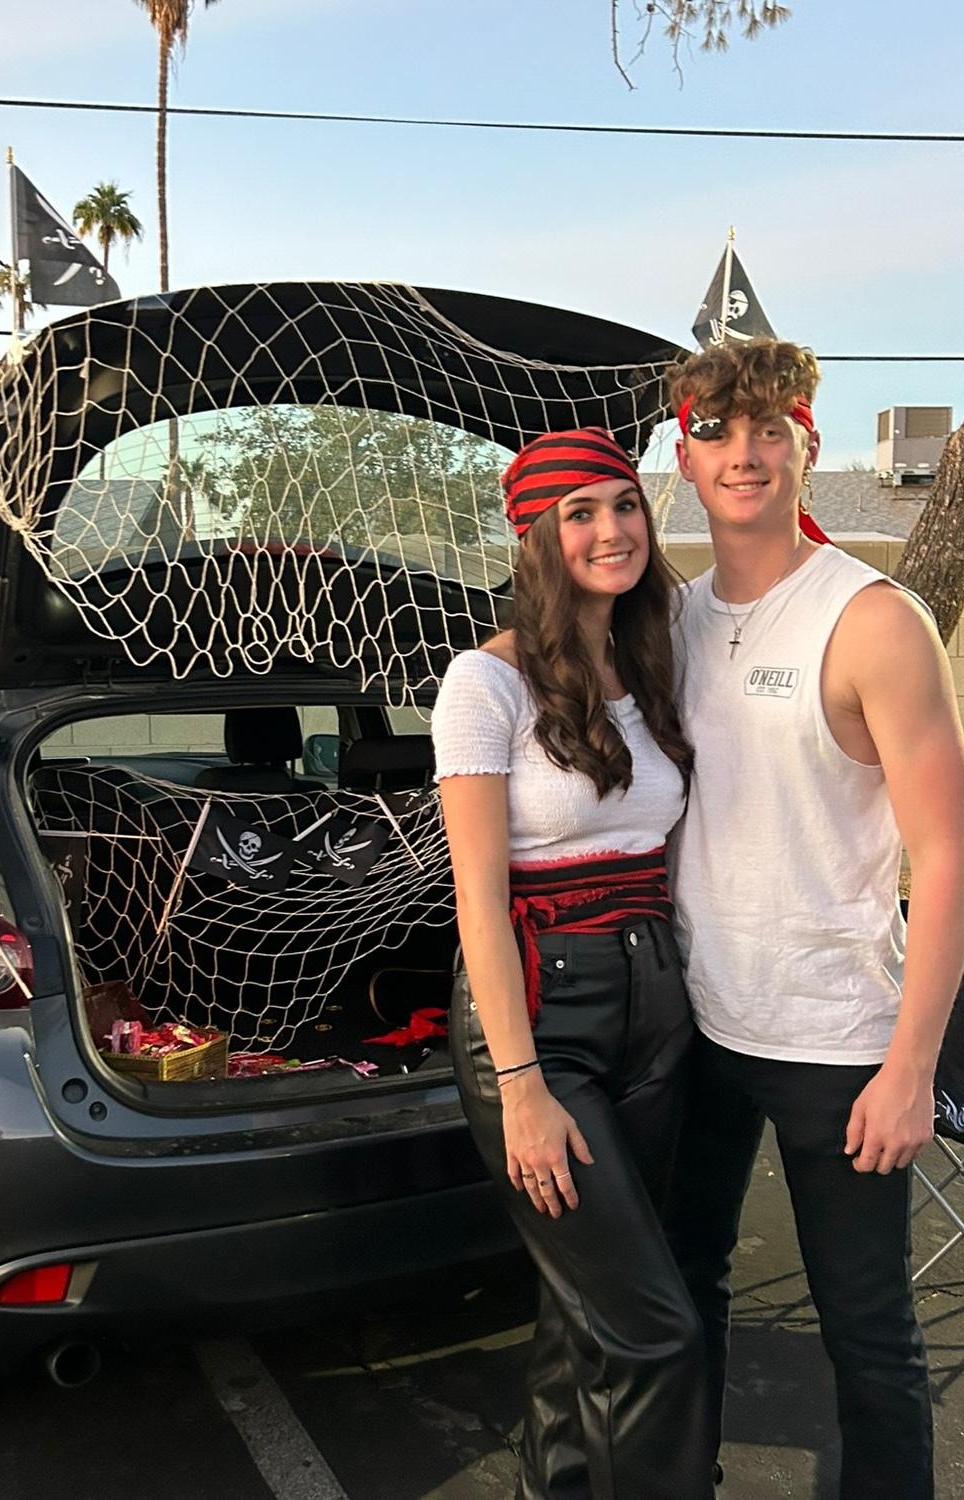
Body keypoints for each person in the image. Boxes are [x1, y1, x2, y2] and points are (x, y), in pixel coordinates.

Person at [664, 338, 964, 1499]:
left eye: (769, 428)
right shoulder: (674, 620)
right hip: (696, 1027)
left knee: (867, 1333)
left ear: (808, 442)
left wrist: (912, 1066)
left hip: (836, 1044)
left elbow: (948, 858)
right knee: (683, 1296)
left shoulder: (873, 620)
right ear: (684, 457)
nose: (742, 453)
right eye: (716, 431)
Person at [431, 427, 714, 1500]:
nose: (610, 530)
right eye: (579, 514)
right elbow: (477, 900)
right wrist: (519, 1086)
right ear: (536, 539)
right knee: (657, 1331)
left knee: (583, 1311)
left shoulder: (651, 664)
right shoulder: (485, 682)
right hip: (543, 1018)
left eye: (624, 504)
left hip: (657, 1007)